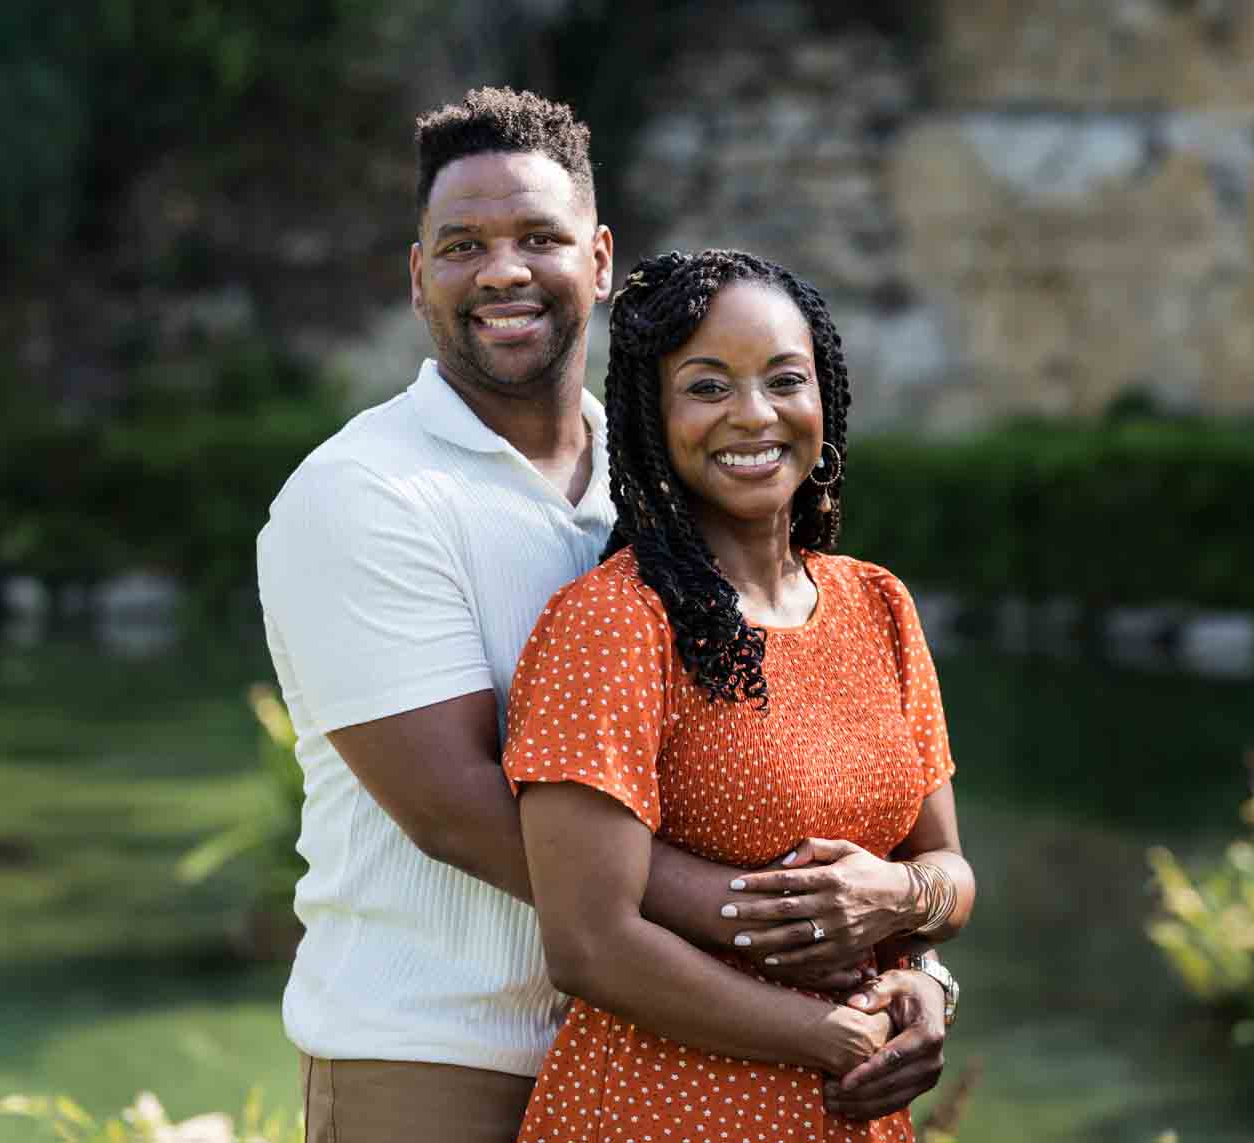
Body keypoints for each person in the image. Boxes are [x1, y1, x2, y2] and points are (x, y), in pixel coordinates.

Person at [257, 90, 950, 1143]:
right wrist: (791, 933)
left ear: (601, 260)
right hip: (439, 1056)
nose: (502, 270)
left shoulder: (663, 480)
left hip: (680, 1045)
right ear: (416, 276)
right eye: (462, 245)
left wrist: (906, 942)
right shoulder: (363, 496)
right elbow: (460, 812)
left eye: (539, 236)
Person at [502, 249, 976, 1142]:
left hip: (857, 1109)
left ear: (823, 400)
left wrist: (916, 961)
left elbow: (949, 871)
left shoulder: (879, 605)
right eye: (708, 386)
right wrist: (826, 1035)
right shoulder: (613, 622)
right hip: (664, 1110)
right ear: (655, 417)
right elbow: (589, 940)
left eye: (783, 380)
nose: (753, 414)